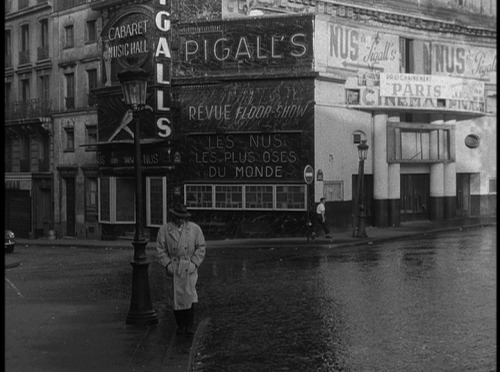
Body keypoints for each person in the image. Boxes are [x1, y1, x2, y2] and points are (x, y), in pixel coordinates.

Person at [156, 203, 206, 336]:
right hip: (174, 267)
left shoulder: (195, 229)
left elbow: (201, 247)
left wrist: (194, 264)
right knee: (176, 297)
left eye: (182, 218)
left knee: (189, 296)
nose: (179, 220)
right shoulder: (164, 230)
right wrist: (167, 265)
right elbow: (160, 250)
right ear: (173, 216)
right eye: (177, 217)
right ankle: (180, 325)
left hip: (188, 267)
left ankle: (189, 325)